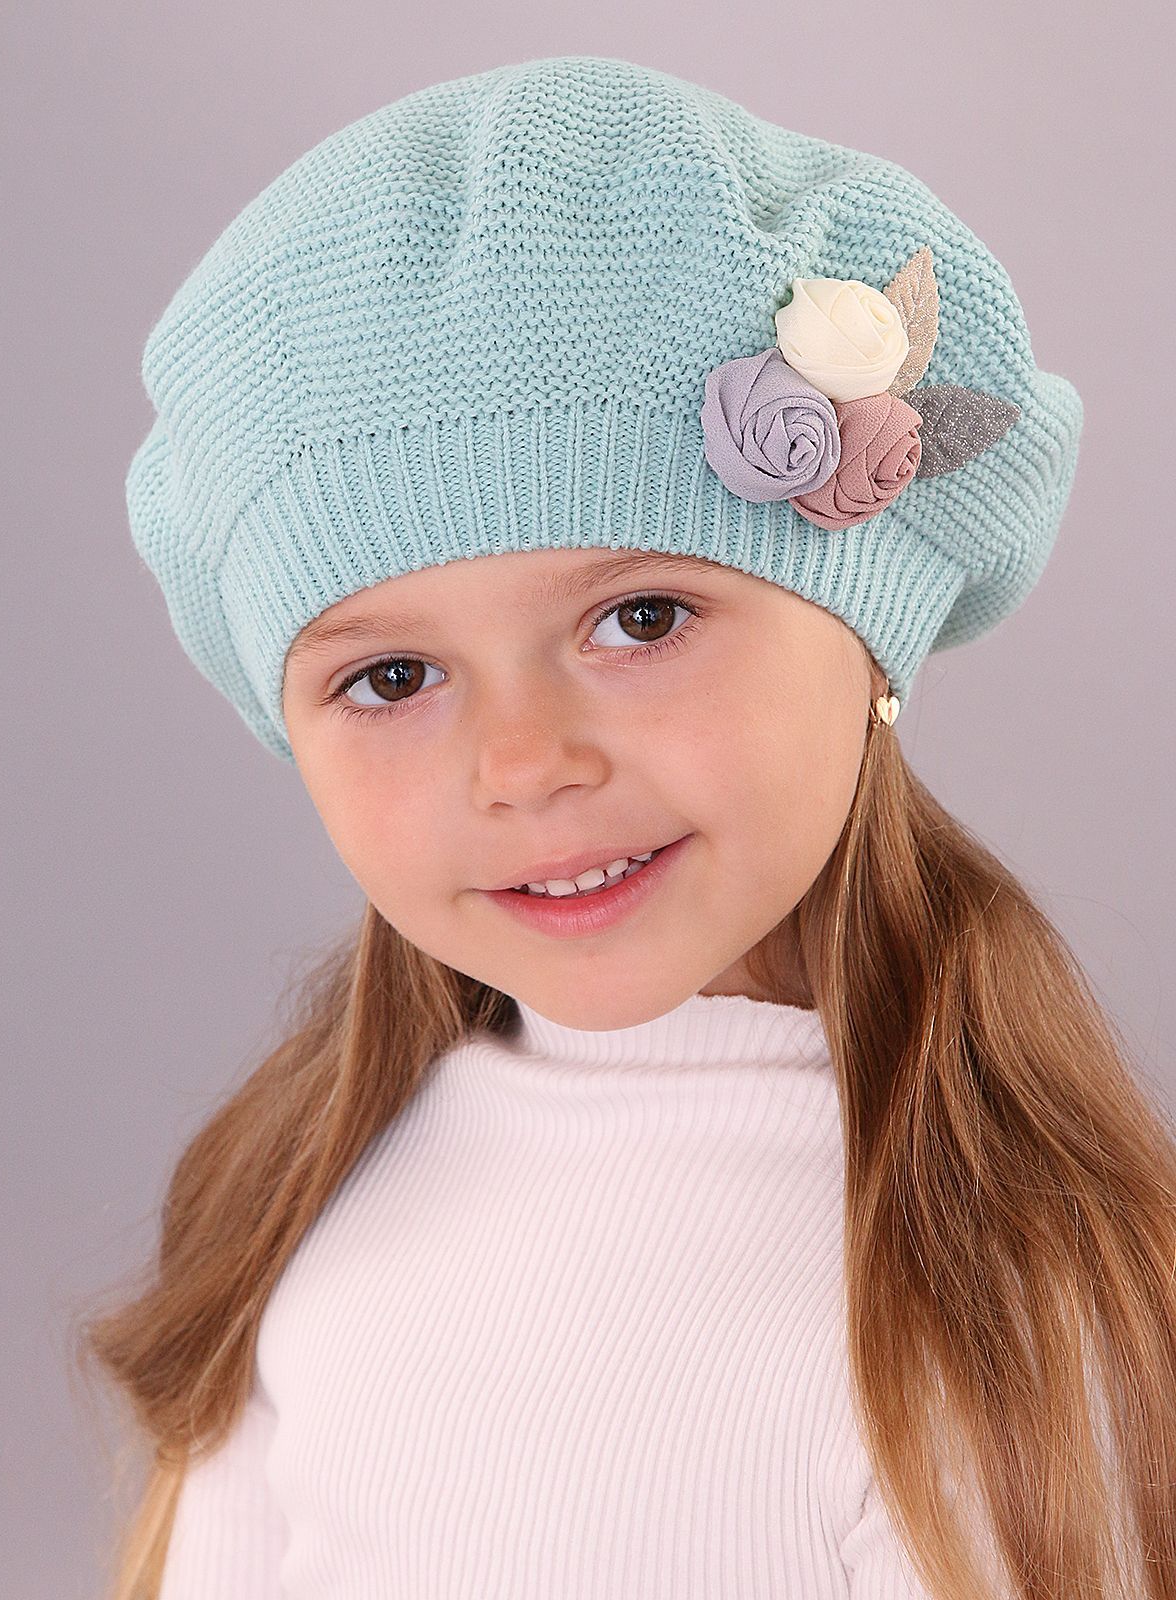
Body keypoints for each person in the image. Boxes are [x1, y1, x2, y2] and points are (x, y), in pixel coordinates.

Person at [76, 54, 1175, 1600]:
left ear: (866, 634)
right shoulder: (306, 1208)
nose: (524, 766)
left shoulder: (981, 1301)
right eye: (392, 677)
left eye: (641, 618)